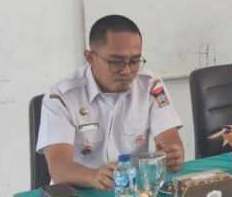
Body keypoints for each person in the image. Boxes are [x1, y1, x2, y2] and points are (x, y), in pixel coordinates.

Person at [37, 15, 184, 190]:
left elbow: (170, 138)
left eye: (135, 61)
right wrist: (93, 176)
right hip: (80, 190)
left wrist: (172, 154)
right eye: (116, 62)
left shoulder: (150, 86)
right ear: (90, 57)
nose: (127, 70)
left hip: (131, 189)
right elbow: (59, 168)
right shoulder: (62, 97)